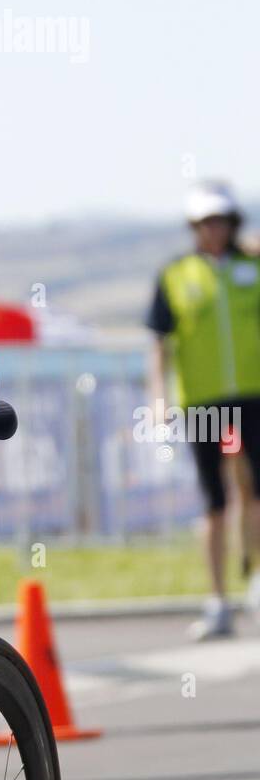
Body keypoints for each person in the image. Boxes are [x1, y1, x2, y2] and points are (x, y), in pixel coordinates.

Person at [146, 181, 260, 639]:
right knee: (214, 501)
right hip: (203, 403)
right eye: (206, 222)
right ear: (195, 227)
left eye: (222, 221)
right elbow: (159, 343)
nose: (215, 230)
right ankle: (218, 600)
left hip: (253, 398)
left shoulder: (252, 266)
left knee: (253, 493)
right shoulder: (175, 275)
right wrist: (158, 399)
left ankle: (253, 579)